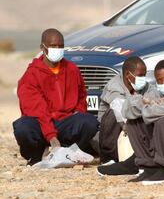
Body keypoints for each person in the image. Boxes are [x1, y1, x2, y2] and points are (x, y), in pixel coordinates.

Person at [13, 28, 99, 166]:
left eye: (60, 46)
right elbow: (38, 111)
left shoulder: (72, 69)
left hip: (65, 121)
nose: (57, 49)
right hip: (41, 123)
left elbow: (82, 95)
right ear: (43, 47)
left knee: (89, 122)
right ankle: (36, 156)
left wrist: (79, 111)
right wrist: (52, 138)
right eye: (53, 46)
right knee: (23, 127)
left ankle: (69, 153)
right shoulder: (31, 75)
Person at [95, 56, 154, 165]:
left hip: (133, 126)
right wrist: (143, 103)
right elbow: (120, 110)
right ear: (127, 75)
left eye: (145, 75)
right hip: (113, 130)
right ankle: (109, 158)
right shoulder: (114, 86)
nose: (143, 78)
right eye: (140, 75)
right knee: (114, 112)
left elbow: (154, 97)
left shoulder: (144, 86)